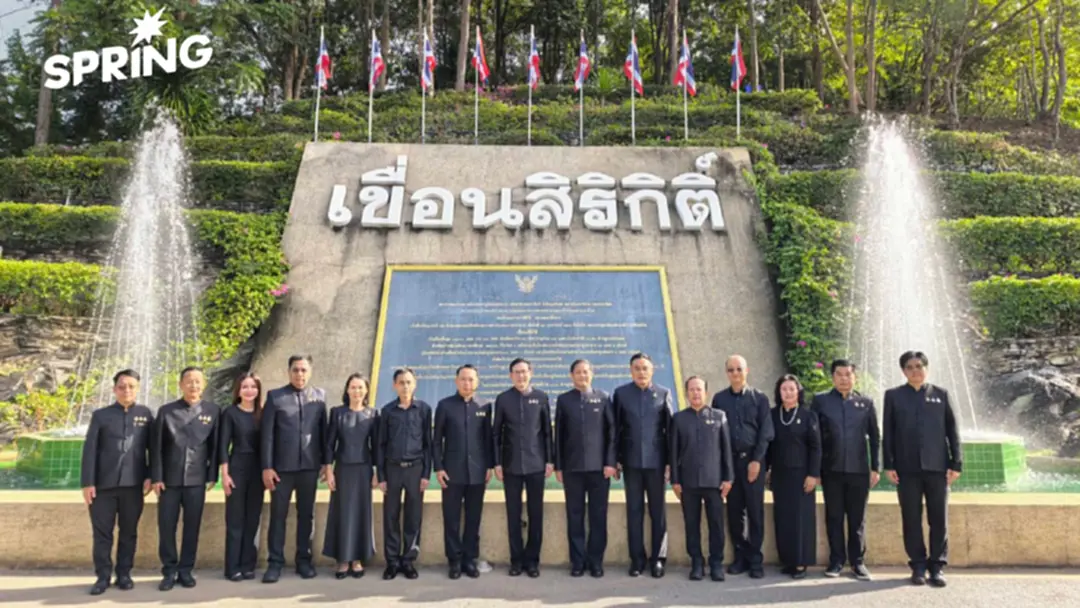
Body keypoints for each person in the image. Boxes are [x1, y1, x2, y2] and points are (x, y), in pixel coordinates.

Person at [883, 351, 963, 588]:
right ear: (903, 371)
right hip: (906, 469)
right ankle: (917, 564)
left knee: (939, 518)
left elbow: (953, 431)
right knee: (911, 518)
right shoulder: (894, 396)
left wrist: (956, 463)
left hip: (937, 468)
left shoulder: (941, 394)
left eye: (920, 366)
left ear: (927, 368)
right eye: (910, 367)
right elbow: (888, 432)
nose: (915, 370)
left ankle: (937, 566)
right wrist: (889, 464)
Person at [80, 369, 154, 596]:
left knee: (129, 532)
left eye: (131, 386)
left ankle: (124, 573)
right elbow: (90, 450)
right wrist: (87, 483)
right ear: (114, 389)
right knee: (102, 534)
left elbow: (154, 449)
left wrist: (151, 475)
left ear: (138, 389)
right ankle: (102, 576)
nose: (127, 391)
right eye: (122, 387)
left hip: (133, 486)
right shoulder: (101, 415)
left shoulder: (146, 414)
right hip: (103, 486)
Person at [260, 355, 329, 583]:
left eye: (303, 370)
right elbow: (267, 436)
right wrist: (267, 467)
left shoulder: (319, 398)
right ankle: (275, 562)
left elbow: (324, 434)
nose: (300, 374)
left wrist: (325, 464)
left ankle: (304, 560)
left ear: (310, 372)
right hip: (281, 469)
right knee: (278, 516)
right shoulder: (275, 397)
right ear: (288, 372)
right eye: (296, 370)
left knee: (306, 516)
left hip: (309, 468)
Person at [151, 366, 221, 591]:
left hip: (197, 480)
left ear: (204, 385)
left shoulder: (213, 411)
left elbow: (215, 447)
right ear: (180, 385)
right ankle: (169, 570)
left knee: (192, 527)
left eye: (198, 381)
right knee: (167, 526)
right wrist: (157, 477)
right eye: (189, 381)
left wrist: (212, 476)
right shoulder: (166, 411)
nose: (193, 386)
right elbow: (156, 448)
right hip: (169, 481)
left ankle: (186, 570)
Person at [811, 359, 880, 580]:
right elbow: (814, 438)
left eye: (848, 374)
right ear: (832, 377)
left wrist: (875, 467)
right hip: (831, 470)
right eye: (839, 374)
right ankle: (836, 560)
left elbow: (875, 438)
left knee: (857, 518)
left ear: (854, 377)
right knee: (834, 516)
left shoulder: (865, 403)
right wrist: (816, 469)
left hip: (859, 471)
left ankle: (858, 562)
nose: (844, 378)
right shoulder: (821, 402)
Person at [710, 354, 774, 578]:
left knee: (755, 512)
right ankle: (741, 557)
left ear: (747, 371)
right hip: (730, 463)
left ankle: (756, 559)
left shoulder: (760, 398)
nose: (735, 373)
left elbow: (766, 433)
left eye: (739, 369)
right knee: (735, 512)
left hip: (753, 461)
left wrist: (757, 461)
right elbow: (716, 434)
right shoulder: (719, 399)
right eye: (731, 370)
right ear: (726, 373)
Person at [554, 359, 617, 578]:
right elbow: (558, 436)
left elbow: (612, 433)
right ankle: (578, 561)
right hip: (572, 469)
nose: (582, 376)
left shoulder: (603, 398)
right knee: (575, 515)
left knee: (598, 516)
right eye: (578, 373)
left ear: (593, 373)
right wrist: (559, 467)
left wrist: (610, 462)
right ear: (571, 376)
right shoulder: (564, 400)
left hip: (600, 470)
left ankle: (596, 561)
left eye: (586, 372)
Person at [612, 352, 673, 578]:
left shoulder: (663, 394)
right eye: (637, 368)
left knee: (658, 512)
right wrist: (615, 459)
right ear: (631, 370)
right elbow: (615, 430)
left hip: (657, 463)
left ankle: (658, 559)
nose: (641, 372)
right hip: (631, 463)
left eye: (645, 368)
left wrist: (670, 463)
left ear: (652, 370)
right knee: (634, 511)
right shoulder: (621, 394)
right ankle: (637, 559)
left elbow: (670, 432)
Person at [493, 358, 553, 578]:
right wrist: (497, 462)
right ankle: (516, 560)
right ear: (510, 375)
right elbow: (496, 434)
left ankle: (533, 561)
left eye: (524, 372)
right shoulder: (503, 399)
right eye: (516, 372)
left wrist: (550, 460)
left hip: (537, 465)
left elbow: (547, 432)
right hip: (510, 466)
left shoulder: (541, 397)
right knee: (514, 514)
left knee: (536, 514)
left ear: (531, 373)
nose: (520, 376)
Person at [670, 376, 733, 582]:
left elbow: (726, 451)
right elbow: (673, 452)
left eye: (699, 389)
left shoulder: (719, 416)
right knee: (692, 524)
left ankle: (716, 563)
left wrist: (728, 478)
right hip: (688, 483)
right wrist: (675, 481)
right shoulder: (679, 419)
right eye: (691, 390)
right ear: (687, 393)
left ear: (706, 392)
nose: (695, 393)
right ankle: (697, 562)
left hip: (714, 482)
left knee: (716, 524)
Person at [434, 364, 493, 580]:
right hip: (451, 473)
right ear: (456, 381)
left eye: (471, 379)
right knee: (451, 519)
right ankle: (454, 560)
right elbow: (436, 440)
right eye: (463, 379)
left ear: (477, 382)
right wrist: (438, 467)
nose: (467, 383)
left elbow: (488, 440)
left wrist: (489, 466)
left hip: (477, 473)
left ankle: (469, 559)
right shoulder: (445, 405)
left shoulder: (485, 406)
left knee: (473, 518)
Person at [377, 367, 433, 580]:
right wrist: (381, 476)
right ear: (395, 385)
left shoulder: (424, 410)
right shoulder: (387, 411)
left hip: (416, 469)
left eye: (409, 382)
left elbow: (428, 444)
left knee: (413, 517)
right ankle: (392, 562)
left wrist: (426, 473)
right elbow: (380, 445)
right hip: (392, 469)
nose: (405, 386)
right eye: (401, 382)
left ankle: (408, 560)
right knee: (390, 516)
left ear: (415, 384)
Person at [323, 374, 379, 579]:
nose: (356, 391)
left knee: (361, 514)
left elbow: (376, 447)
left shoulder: (373, 414)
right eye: (353, 387)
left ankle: (357, 559)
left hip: (364, 470)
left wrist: (376, 472)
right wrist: (329, 470)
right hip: (343, 469)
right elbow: (330, 444)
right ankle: (343, 560)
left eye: (360, 388)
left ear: (366, 391)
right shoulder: (337, 413)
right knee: (342, 513)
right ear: (347, 390)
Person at [767, 374, 822, 579]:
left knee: (801, 519)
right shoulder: (773, 415)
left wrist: (813, 475)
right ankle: (788, 560)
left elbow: (816, 448)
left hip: (802, 475)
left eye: (792, 389)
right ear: (778, 392)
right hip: (780, 475)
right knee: (783, 518)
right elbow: (768, 445)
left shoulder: (809, 416)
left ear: (798, 391)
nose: (788, 393)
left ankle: (801, 562)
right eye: (784, 389)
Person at [218, 372, 265, 582]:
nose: (249, 391)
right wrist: (225, 475)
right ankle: (232, 566)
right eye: (245, 387)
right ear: (238, 390)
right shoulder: (230, 413)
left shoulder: (262, 414)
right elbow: (223, 446)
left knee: (252, 519)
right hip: (237, 468)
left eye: (253, 387)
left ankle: (248, 565)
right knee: (235, 520)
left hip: (257, 471)